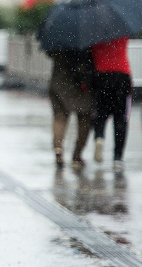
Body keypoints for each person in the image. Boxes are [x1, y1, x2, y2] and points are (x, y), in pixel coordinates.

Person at [47, 49, 94, 169]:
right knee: (85, 118)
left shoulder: (57, 37)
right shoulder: (87, 38)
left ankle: (58, 149)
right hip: (80, 82)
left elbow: (49, 52)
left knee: (60, 117)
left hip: (58, 81)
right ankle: (77, 156)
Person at [91, 36, 132, 171]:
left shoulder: (94, 32)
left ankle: (99, 137)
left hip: (101, 75)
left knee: (100, 113)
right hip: (122, 75)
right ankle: (118, 157)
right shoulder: (123, 30)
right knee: (121, 118)